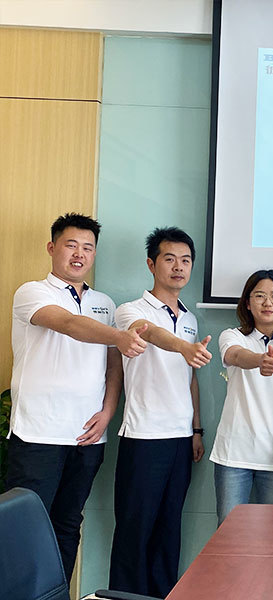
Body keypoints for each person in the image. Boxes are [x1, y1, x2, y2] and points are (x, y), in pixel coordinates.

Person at [7, 213, 147, 582]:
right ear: (52, 248)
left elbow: (112, 366)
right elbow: (67, 324)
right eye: (71, 245)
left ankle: (57, 592)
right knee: (23, 530)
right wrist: (117, 335)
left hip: (88, 437)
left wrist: (108, 411)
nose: (79, 254)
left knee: (68, 527)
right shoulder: (32, 292)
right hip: (38, 436)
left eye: (88, 248)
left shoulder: (104, 302)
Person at [109, 227, 212, 597]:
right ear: (152, 264)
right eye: (170, 259)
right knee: (135, 532)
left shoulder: (189, 318)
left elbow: (191, 378)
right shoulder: (129, 311)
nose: (179, 267)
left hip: (180, 440)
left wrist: (196, 430)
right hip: (143, 438)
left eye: (186, 260)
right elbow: (148, 332)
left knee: (169, 531)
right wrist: (182, 347)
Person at [210, 270, 273, 524]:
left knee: (272, 538)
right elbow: (235, 355)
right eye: (260, 296)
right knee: (228, 535)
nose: (268, 303)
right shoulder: (233, 336)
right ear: (247, 302)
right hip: (234, 454)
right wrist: (259, 361)